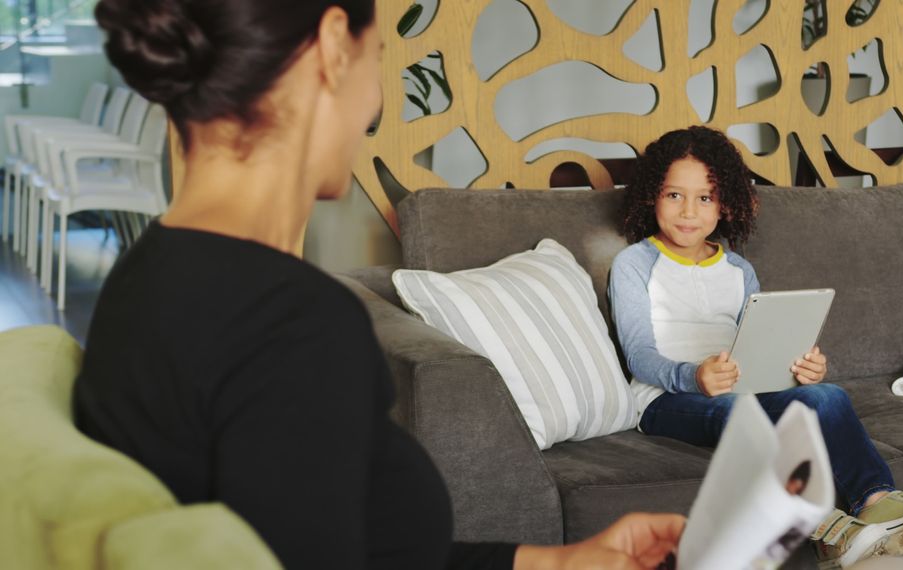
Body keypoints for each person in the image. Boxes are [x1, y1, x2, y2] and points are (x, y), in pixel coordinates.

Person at [73, 1, 684, 568]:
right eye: (379, 62)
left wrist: (552, 561)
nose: (374, 100)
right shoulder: (293, 324)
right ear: (335, 46)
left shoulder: (145, 276)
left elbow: (353, 550)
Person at [608, 126, 903, 567]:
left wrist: (796, 368)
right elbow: (639, 354)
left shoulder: (739, 269)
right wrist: (694, 376)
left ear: (725, 205)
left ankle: (876, 503)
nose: (689, 211)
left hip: (740, 387)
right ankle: (828, 529)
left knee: (827, 395)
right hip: (665, 399)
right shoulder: (634, 264)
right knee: (736, 413)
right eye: (674, 196)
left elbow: (754, 341)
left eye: (705, 198)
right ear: (652, 197)